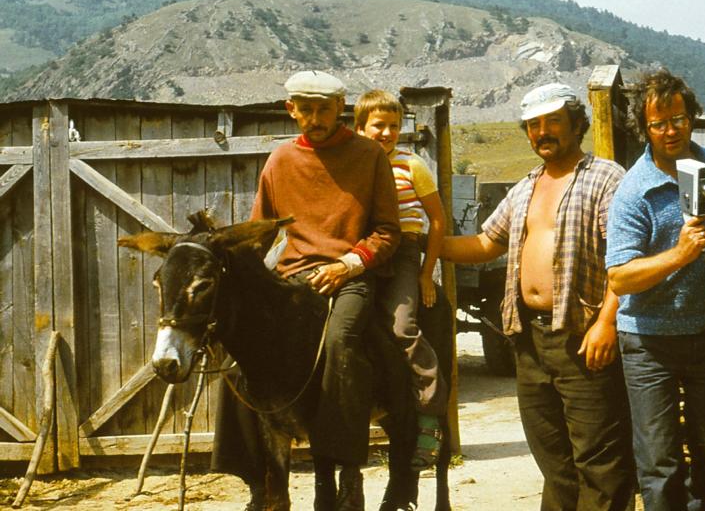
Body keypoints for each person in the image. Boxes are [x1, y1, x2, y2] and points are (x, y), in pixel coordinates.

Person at [442, 83, 636, 510]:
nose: (542, 132)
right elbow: (484, 244)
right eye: (533, 126)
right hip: (529, 339)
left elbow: (624, 260)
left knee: (599, 460)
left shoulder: (606, 177)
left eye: (552, 123)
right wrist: (423, 241)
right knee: (553, 459)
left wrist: (606, 322)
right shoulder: (526, 187)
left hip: (583, 338)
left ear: (575, 124)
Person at [213, 70, 401, 510]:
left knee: (340, 343)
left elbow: (388, 231)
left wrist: (348, 264)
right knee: (238, 358)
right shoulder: (280, 160)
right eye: (306, 110)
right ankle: (260, 481)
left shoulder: (369, 154)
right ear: (291, 109)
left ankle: (347, 468)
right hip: (293, 278)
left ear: (341, 110)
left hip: (350, 276)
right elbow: (259, 233)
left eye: (324, 110)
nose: (314, 118)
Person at [605, 68, 705, 511]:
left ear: (692, 117)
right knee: (660, 464)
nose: (671, 130)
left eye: (678, 118)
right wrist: (678, 256)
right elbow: (619, 277)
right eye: (659, 123)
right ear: (644, 129)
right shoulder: (632, 191)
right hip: (649, 341)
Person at [353, 89, 448, 470]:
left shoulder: (412, 165)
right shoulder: (352, 166)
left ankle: (429, 416)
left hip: (404, 253)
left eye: (394, 126)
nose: (387, 133)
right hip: (362, 252)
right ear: (360, 128)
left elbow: (437, 220)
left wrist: (427, 274)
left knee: (404, 328)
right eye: (378, 126)